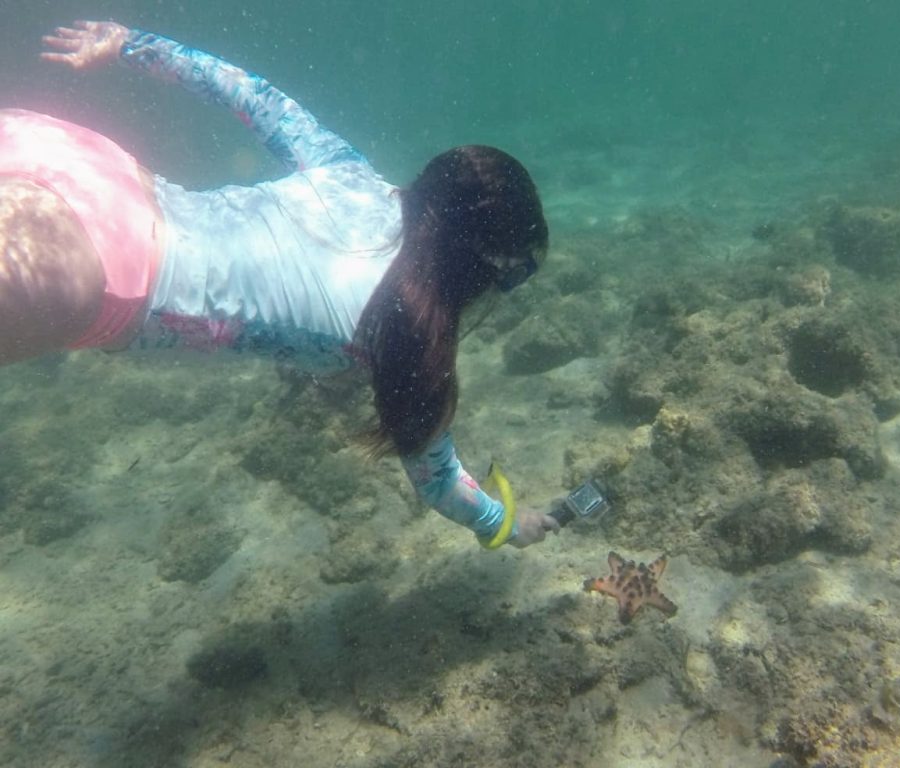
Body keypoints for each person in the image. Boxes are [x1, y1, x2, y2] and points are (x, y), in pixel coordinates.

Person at [1, 20, 559, 548]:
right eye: (516, 275)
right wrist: (504, 523)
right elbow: (440, 482)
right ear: (481, 266)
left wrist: (127, 42)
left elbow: (249, 94)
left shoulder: (352, 173)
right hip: (100, 271)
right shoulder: (405, 333)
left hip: (84, 162)